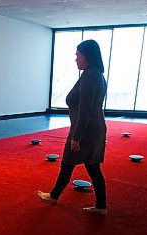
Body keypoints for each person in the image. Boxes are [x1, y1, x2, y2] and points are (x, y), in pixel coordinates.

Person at [37, 39, 107, 214]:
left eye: (78, 55)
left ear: (87, 56)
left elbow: (85, 109)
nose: (76, 59)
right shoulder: (96, 74)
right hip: (94, 127)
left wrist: (77, 137)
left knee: (68, 160)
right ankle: (101, 206)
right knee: (92, 166)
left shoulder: (90, 76)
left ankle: (54, 196)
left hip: (86, 129)